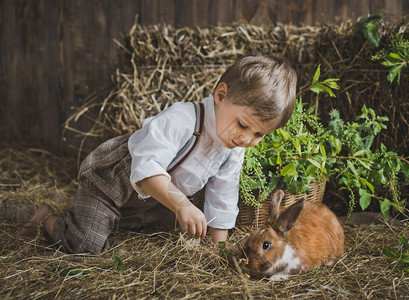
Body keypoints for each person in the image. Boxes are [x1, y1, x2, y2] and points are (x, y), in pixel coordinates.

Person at [26, 54, 298, 254]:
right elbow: (147, 169)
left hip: (153, 204)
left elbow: (223, 196)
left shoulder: (233, 148)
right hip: (111, 185)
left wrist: (219, 248)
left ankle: (108, 224)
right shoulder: (181, 119)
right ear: (221, 95)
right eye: (243, 125)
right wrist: (182, 206)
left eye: (259, 135)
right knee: (84, 246)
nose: (247, 139)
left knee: (170, 235)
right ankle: (47, 219)